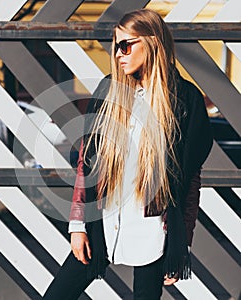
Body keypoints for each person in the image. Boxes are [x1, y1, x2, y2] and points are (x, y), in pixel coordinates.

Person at [43, 8, 213, 300]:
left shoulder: (185, 101)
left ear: (152, 43)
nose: (118, 54)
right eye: (115, 46)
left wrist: (181, 242)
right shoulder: (109, 91)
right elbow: (87, 164)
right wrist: (77, 225)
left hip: (153, 232)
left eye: (126, 45)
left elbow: (189, 180)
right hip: (104, 224)